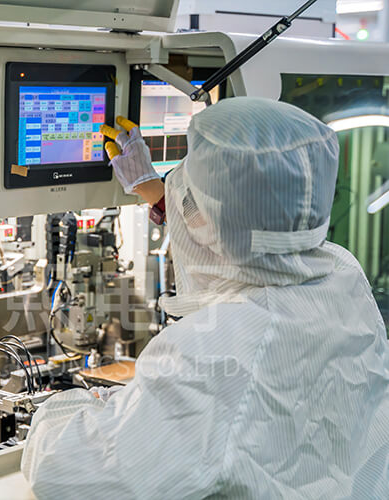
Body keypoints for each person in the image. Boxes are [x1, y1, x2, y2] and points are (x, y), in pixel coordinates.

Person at [21, 97, 389, 499]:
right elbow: (250, 228)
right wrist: (157, 193)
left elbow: (64, 474)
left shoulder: (210, 353)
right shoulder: (343, 273)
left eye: (188, 194)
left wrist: (69, 406)